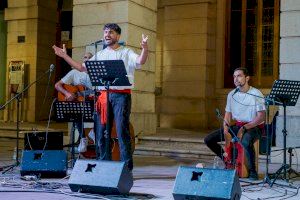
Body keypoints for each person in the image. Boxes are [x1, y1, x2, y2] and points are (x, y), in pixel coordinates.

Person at [52, 23, 149, 171]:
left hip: (121, 96)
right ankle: (104, 166)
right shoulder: (100, 55)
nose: (107, 35)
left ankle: (126, 168)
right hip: (103, 97)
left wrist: (145, 48)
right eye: (105, 32)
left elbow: (140, 61)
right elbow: (81, 68)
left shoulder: (126, 52)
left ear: (118, 36)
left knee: (122, 131)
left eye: (110, 32)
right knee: (102, 132)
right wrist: (64, 55)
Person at [204, 67, 265, 180]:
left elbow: (261, 117)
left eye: (239, 76)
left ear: (247, 78)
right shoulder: (231, 94)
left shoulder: (256, 94)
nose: (236, 79)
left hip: (254, 127)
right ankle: (228, 162)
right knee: (208, 139)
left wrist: (245, 128)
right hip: (238, 125)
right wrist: (226, 130)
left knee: (246, 141)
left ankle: (253, 172)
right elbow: (227, 115)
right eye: (234, 76)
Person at [55, 50, 93, 153]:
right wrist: (67, 94)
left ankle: (92, 135)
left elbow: (97, 92)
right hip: (78, 105)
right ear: (82, 60)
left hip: (92, 104)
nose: (87, 59)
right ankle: (83, 138)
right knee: (75, 114)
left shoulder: (95, 75)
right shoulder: (74, 72)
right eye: (85, 57)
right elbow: (57, 85)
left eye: (90, 58)